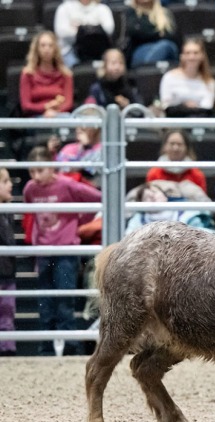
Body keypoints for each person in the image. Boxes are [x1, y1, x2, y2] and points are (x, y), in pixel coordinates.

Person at [23, 146, 102, 356]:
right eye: (32, 171)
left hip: (66, 249)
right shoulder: (30, 189)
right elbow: (30, 212)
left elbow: (96, 197)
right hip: (43, 250)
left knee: (65, 298)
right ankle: (46, 345)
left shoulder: (66, 185)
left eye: (40, 170)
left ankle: (70, 346)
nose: (36, 176)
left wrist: (79, 221)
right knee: (45, 299)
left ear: (53, 167)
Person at [125, 181, 215, 235]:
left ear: (165, 196)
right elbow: (126, 242)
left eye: (155, 192)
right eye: (146, 198)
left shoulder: (189, 213)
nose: (152, 197)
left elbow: (209, 236)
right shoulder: (137, 222)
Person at [19, 31, 74, 118]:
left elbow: (68, 103)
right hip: (35, 117)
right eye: (43, 45)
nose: (46, 49)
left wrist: (54, 113)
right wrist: (46, 107)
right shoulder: (28, 74)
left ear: (55, 49)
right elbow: (26, 106)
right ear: (37, 49)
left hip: (59, 115)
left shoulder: (65, 74)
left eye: (50, 45)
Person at [159, 38, 215, 117]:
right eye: (188, 53)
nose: (191, 57)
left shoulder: (210, 82)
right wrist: (185, 106)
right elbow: (166, 105)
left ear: (202, 56)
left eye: (196, 53)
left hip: (200, 122)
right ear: (182, 56)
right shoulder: (169, 77)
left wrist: (190, 108)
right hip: (175, 123)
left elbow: (207, 108)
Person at [53, 0, 115, 68]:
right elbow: (62, 32)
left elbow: (108, 29)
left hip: (98, 50)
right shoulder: (64, 8)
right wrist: (93, 28)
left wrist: (79, 28)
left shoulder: (103, 8)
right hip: (71, 49)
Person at [123, 0, 180, 68]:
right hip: (139, 51)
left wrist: (149, 31)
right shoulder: (131, 12)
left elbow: (173, 36)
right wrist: (159, 33)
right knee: (166, 45)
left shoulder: (165, 12)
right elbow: (135, 32)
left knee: (168, 46)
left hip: (167, 49)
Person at [56, 109, 104, 187]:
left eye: (84, 126)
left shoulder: (104, 149)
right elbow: (60, 173)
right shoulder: (69, 148)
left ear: (97, 129)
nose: (78, 129)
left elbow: (96, 177)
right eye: (78, 125)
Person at [0, 168, 17, 357]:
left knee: (7, 311)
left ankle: (7, 349)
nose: (11, 185)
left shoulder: (9, 211)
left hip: (7, 271)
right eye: (5, 182)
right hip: (5, 269)